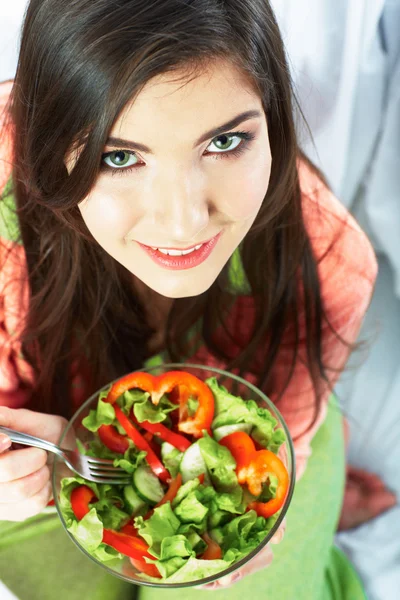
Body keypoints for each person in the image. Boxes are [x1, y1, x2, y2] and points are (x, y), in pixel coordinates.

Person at [0, 1, 395, 599]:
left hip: (255, 419)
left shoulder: (327, 260)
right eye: (118, 156)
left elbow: (266, 452)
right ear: (52, 146)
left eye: (226, 141)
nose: (184, 222)